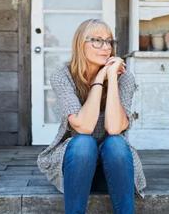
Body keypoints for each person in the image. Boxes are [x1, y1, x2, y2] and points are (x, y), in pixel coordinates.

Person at [37, 19, 146, 214]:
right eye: (97, 40)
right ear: (80, 44)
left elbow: (115, 128)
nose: (105, 47)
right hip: (76, 168)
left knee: (116, 143)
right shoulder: (63, 76)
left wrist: (111, 78)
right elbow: (84, 126)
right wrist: (98, 80)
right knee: (83, 143)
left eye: (109, 41)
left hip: (113, 171)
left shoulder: (124, 77)